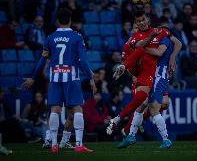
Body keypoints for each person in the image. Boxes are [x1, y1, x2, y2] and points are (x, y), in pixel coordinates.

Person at [21, 8, 95, 153]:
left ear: (56, 21)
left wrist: (33, 78)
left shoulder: (50, 37)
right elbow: (83, 61)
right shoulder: (77, 37)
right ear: (70, 19)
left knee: (54, 109)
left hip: (55, 77)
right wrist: (91, 77)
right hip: (71, 77)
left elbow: (42, 60)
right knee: (77, 109)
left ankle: (54, 145)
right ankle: (79, 144)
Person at [106, 11, 181, 135]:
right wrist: (127, 70)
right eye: (137, 23)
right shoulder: (133, 41)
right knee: (142, 101)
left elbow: (178, 43)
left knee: (164, 104)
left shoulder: (161, 31)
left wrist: (173, 56)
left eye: (142, 20)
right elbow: (138, 50)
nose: (139, 25)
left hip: (159, 74)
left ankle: (132, 125)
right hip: (142, 74)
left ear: (148, 20)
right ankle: (121, 124)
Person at [117, 34, 179, 149]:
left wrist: (143, 47)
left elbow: (160, 52)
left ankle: (164, 139)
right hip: (152, 75)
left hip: (159, 76)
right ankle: (130, 135)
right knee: (143, 106)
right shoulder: (161, 39)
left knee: (156, 106)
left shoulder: (164, 39)